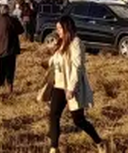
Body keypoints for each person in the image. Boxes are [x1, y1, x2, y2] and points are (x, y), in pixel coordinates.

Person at [45, 15, 106, 153]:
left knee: (78, 120)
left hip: (72, 87)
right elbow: (53, 62)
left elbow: (77, 67)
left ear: (67, 28)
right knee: (54, 115)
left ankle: (99, 142)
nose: (58, 31)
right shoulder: (60, 43)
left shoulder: (76, 43)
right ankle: (54, 147)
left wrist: (71, 88)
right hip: (59, 85)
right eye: (57, 28)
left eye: (60, 28)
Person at [0, 4, 24, 93]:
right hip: (11, 49)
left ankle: (0, 86)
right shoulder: (12, 20)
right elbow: (21, 30)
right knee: (10, 69)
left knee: (1, 69)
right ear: (8, 11)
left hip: (0, 48)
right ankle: (9, 87)